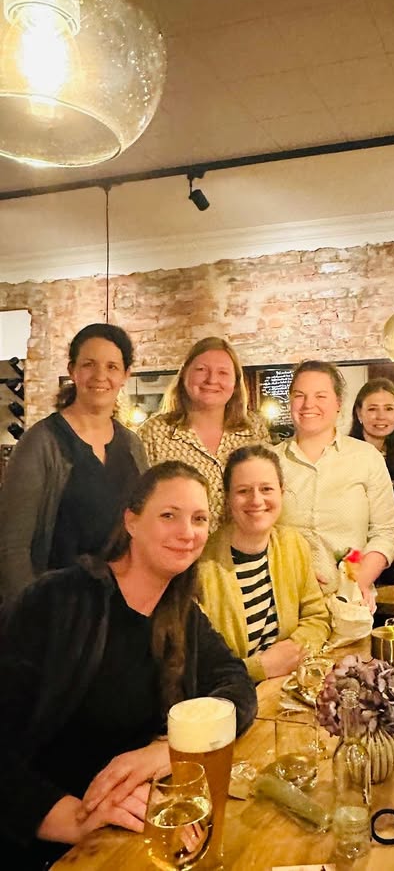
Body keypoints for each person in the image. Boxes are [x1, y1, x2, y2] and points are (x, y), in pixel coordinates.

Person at [0, 461, 257, 870]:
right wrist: (72, 819)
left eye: (199, 519)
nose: (187, 532)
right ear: (131, 521)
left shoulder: (182, 613)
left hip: (139, 829)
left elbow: (236, 685)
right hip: (57, 843)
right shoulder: (58, 601)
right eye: (169, 515)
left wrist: (171, 751)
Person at [0, 323, 148, 606]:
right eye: (89, 364)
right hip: (58, 609)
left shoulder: (132, 445)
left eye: (112, 367)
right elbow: (12, 547)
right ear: (72, 370)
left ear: (126, 375)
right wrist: (30, 613)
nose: (100, 376)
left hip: (122, 607)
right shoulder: (41, 442)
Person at [197, 445, 330, 682]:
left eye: (266, 489)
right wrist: (260, 667)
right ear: (228, 498)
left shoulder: (293, 545)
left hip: (285, 687)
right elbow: (197, 666)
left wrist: (292, 649)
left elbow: (317, 618)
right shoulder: (200, 566)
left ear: (281, 491)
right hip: (229, 697)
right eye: (243, 491)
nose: (256, 500)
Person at [274, 360, 394, 608]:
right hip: (283, 600)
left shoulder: (366, 457)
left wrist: (353, 585)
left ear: (338, 403)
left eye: (320, 396)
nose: (308, 404)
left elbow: (384, 533)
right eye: (299, 395)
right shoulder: (269, 461)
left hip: (351, 602)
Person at [139, 337, 269, 531]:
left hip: (242, 546)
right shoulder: (154, 433)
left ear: (235, 382)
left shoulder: (254, 430)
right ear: (184, 374)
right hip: (179, 545)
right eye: (201, 370)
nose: (212, 380)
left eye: (223, 372)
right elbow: (139, 504)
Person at [349, 378, 394, 518]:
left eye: (389, 409)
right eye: (372, 409)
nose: (381, 416)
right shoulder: (345, 457)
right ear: (359, 413)